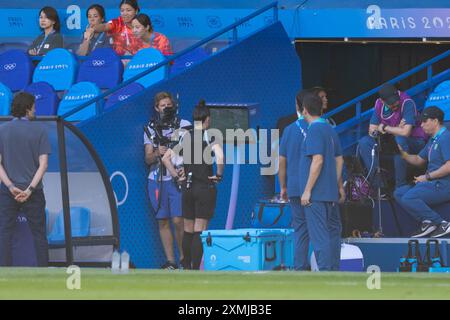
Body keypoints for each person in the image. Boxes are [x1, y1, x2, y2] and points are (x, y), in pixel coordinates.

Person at [163, 100, 224, 270]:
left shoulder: (185, 134)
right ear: (208, 119)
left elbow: (165, 158)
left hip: (187, 188)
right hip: (203, 187)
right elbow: (220, 157)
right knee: (200, 229)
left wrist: (176, 177)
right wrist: (218, 175)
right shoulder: (209, 134)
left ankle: (186, 266)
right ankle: (196, 268)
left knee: (188, 229)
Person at [0, 92, 51, 266]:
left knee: (4, 233)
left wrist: (10, 186)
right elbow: (43, 165)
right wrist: (29, 189)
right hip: (34, 192)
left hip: (8, 192)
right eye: (34, 106)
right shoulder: (40, 130)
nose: (35, 110)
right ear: (28, 108)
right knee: (39, 234)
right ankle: (44, 274)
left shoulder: (2, 130)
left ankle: (3, 276)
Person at [144, 92, 190, 269]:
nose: (166, 109)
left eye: (169, 105)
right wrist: (158, 152)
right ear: (157, 108)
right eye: (162, 106)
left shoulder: (184, 125)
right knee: (162, 220)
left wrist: (184, 167)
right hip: (156, 179)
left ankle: (185, 259)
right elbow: (148, 158)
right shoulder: (150, 128)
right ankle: (171, 262)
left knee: (179, 220)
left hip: (177, 179)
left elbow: (193, 151)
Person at [299, 93, 345, 271]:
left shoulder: (315, 129)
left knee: (320, 235)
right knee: (333, 232)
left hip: (316, 194)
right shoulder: (330, 129)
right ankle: (333, 271)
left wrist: (307, 190)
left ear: (305, 110)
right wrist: (337, 185)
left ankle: (326, 273)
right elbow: (339, 159)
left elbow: (317, 160)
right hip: (330, 192)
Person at [358, 83, 428, 189]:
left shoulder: (407, 102)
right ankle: (380, 187)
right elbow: (371, 130)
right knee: (364, 142)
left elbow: (405, 132)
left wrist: (385, 127)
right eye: (391, 103)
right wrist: (395, 129)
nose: (395, 104)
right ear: (382, 101)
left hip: (416, 141)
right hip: (390, 138)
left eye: (396, 100)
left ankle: (400, 186)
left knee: (399, 140)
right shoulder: (379, 104)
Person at [394, 106, 450, 238]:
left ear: (435, 121)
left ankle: (441, 223)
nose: (422, 125)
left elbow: (449, 166)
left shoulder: (446, 138)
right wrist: (403, 154)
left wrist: (427, 177)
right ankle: (428, 220)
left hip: (444, 185)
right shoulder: (433, 139)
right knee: (399, 192)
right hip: (433, 183)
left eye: (425, 121)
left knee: (409, 197)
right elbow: (419, 159)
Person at [278, 89, 310, 270]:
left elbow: (282, 162)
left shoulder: (289, 130)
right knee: (321, 231)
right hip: (316, 189)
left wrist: (283, 186)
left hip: (295, 188)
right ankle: (324, 268)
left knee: (301, 230)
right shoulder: (321, 126)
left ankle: (300, 268)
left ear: (298, 106)